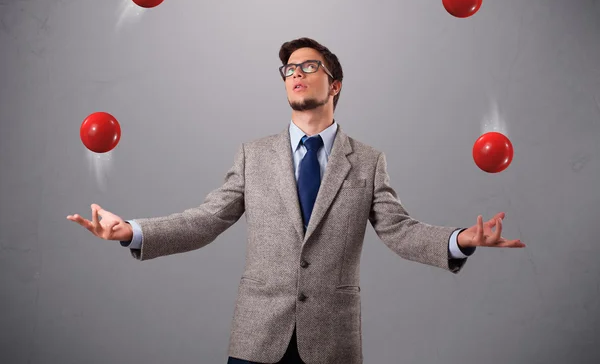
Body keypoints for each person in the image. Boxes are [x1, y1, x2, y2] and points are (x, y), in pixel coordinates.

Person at [67, 37, 526, 364]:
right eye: (290, 69)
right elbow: (206, 219)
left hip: (333, 343)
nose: (297, 74)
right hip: (257, 338)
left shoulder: (366, 161)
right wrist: (133, 229)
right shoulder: (253, 154)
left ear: (336, 84)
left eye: (309, 67)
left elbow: (399, 230)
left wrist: (460, 239)